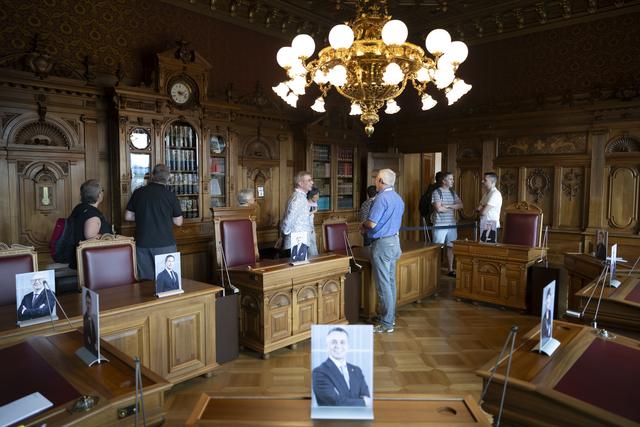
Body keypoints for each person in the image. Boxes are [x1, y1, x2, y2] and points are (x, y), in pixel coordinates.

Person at [361, 169, 404, 333]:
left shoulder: (381, 198)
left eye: (376, 179)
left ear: (380, 180)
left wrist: (362, 224)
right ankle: (390, 319)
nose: (374, 182)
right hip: (394, 242)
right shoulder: (398, 198)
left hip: (382, 244)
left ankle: (386, 322)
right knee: (391, 281)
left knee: (383, 284)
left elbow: (371, 223)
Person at [125, 164, 183, 280]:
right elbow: (178, 222)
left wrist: (144, 216)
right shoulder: (170, 196)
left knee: (146, 284)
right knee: (167, 283)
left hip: (143, 243)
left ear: (152, 176)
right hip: (165, 244)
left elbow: (128, 216)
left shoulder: (138, 192)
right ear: (168, 178)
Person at [312, 327, 371, 407]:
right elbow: (335, 403)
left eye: (342, 342)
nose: (338, 346)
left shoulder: (357, 370)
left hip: (358, 417)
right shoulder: (319, 372)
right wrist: (363, 402)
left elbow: (366, 396)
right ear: (327, 346)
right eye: (333, 342)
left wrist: (347, 401)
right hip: (332, 418)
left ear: (348, 346)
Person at [68, 179, 112, 269]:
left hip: (81, 258)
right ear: (99, 195)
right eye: (102, 191)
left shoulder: (79, 207)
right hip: (91, 262)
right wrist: (111, 238)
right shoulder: (92, 215)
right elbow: (90, 238)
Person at [431, 172, 463, 277]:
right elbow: (439, 209)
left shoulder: (453, 193)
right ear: (444, 181)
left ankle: (450, 269)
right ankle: (434, 270)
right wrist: (453, 206)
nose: (453, 181)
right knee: (437, 247)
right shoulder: (436, 192)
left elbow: (460, 205)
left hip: (452, 224)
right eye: (450, 179)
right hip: (440, 224)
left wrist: (448, 206)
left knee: (451, 246)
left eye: (452, 179)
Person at [281, 171, 314, 254]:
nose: (312, 182)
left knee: (300, 266)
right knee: (298, 266)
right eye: (309, 180)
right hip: (297, 241)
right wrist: (286, 234)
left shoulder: (300, 196)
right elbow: (289, 220)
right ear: (300, 183)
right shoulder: (298, 198)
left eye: (311, 180)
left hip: (299, 240)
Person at [476, 172, 502, 243]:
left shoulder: (495, 194)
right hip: (484, 224)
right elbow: (478, 208)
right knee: (481, 249)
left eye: (485, 180)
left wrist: (483, 208)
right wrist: (482, 208)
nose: (482, 181)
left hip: (491, 226)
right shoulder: (486, 193)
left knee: (488, 250)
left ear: (493, 182)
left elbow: (483, 212)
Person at [83, 290, 99, 356]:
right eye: (87, 303)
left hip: (95, 350)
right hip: (89, 351)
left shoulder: (94, 317)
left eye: (90, 303)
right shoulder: (84, 318)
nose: (88, 306)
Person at [307, 187, 320, 256]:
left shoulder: (313, 203)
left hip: (311, 229)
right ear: (313, 195)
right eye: (317, 195)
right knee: (311, 251)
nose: (318, 197)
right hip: (306, 231)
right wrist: (313, 211)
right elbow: (303, 216)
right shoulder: (305, 203)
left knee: (314, 249)